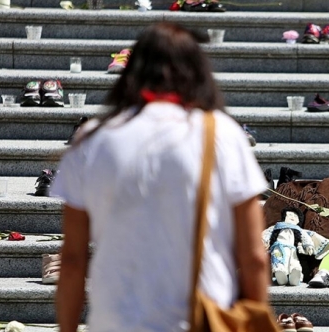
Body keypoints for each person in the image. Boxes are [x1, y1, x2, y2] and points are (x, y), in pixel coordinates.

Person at [52, 22, 270, 332]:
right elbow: (253, 258)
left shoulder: (92, 139)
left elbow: (73, 260)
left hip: (114, 321)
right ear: (196, 73)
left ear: (134, 71)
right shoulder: (221, 134)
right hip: (198, 319)